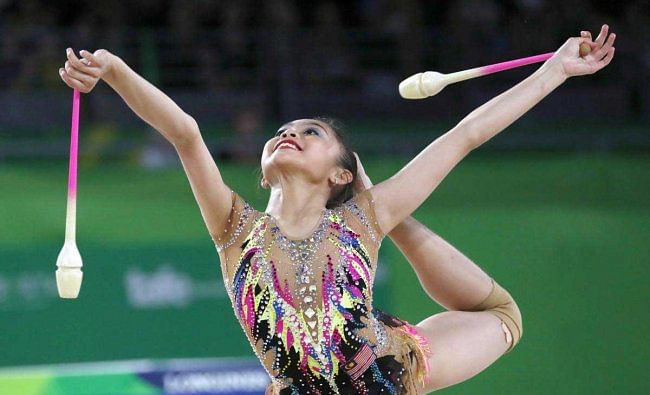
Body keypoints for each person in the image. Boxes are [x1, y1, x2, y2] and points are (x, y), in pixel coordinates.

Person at [58, 25, 616, 394]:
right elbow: (184, 133)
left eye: (311, 132)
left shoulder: (361, 218)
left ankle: (405, 227)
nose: (289, 134)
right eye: (281, 131)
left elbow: (466, 133)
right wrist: (114, 71)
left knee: (503, 316)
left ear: (341, 173)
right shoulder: (236, 229)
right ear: (262, 166)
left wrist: (555, 71)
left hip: (393, 369)